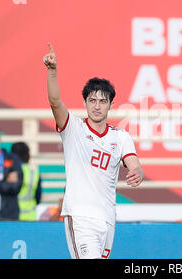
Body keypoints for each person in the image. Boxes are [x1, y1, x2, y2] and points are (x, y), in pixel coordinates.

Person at [43, 43, 144, 259]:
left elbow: (134, 163)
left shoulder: (120, 136)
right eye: (92, 100)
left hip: (107, 219)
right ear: (85, 102)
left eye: (102, 101)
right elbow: (54, 102)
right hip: (80, 217)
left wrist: (138, 172)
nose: (97, 106)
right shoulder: (73, 129)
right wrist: (52, 72)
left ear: (111, 105)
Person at [11, 142, 42, 221]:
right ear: (27, 155)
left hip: (11, 217)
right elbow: (38, 198)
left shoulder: (9, 172)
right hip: (30, 217)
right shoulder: (34, 173)